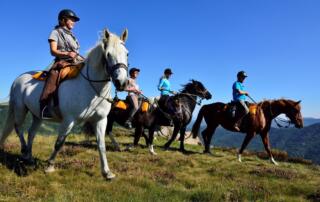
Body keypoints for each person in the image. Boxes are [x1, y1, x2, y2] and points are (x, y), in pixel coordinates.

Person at [40, 9, 84, 119]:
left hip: (75, 61)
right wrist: (68, 53)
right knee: (54, 75)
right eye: (71, 19)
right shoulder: (55, 32)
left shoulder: (72, 36)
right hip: (62, 61)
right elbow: (53, 51)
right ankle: (44, 107)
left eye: (74, 20)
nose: (74, 22)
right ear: (63, 20)